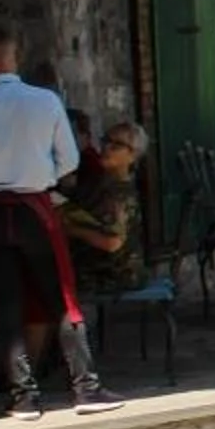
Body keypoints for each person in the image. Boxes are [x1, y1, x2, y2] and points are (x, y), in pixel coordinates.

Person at [0, 27, 121, 417]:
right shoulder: (46, 102)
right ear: (13, 57)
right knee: (62, 299)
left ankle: (23, 395)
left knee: (6, 304)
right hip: (34, 209)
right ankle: (85, 388)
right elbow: (68, 161)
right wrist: (43, 178)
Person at [61, 122, 147, 300]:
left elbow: (111, 242)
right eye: (105, 141)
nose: (106, 148)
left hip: (114, 273)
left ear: (132, 155)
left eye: (116, 145)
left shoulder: (121, 194)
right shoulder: (102, 183)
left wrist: (69, 229)